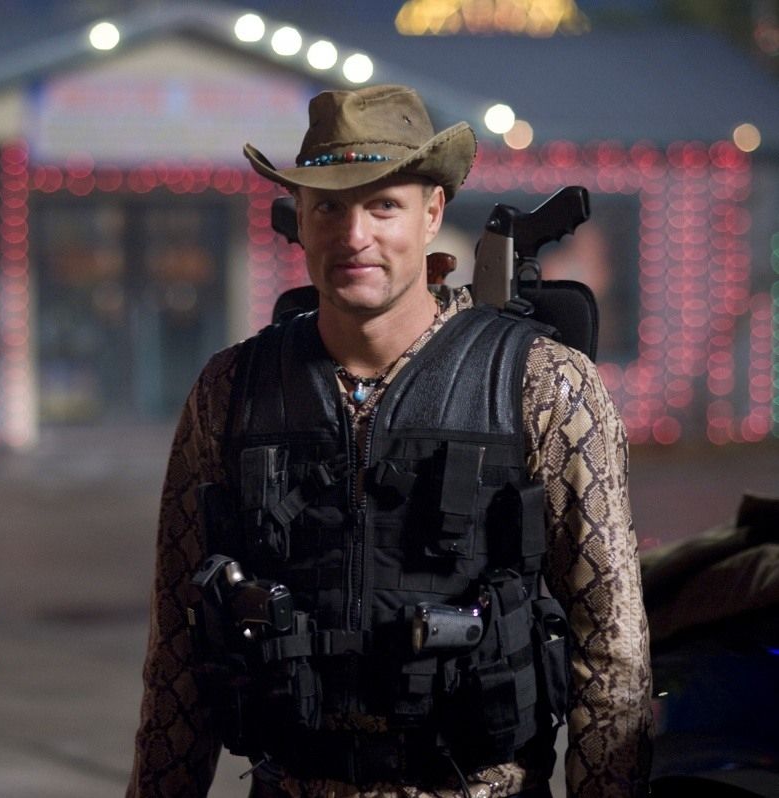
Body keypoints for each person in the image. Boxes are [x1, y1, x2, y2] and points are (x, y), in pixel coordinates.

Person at [127, 84, 652, 798]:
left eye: (383, 206)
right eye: (328, 208)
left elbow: (610, 645)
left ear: (432, 213)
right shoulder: (229, 391)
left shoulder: (544, 384)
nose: (353, 236)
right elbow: (178, 648)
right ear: (299, 220)